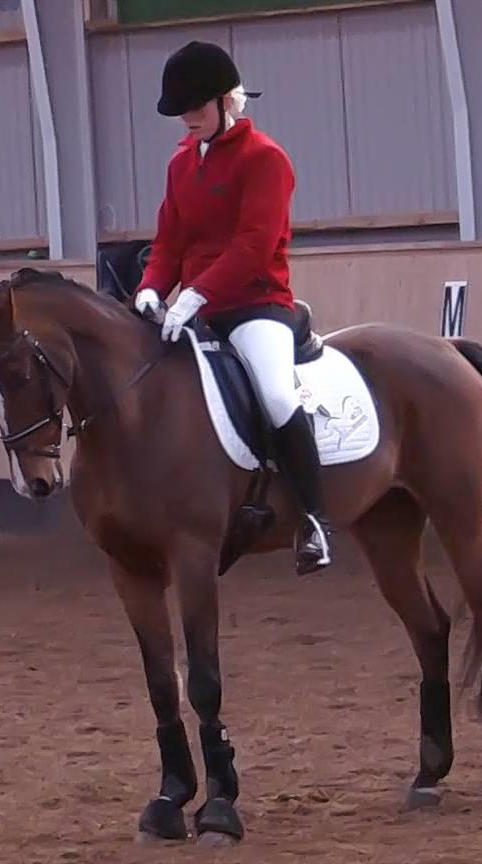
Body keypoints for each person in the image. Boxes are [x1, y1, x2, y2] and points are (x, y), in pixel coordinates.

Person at [133, 40, 331, 576]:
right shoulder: (180, 165)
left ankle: (314, 520)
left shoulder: (265, 158)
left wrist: (196, 294)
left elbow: (253, 244)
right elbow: (168, 241)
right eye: (180, 112)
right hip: (194, 311)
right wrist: (152, 288)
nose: (186, 120)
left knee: (272, 389)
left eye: (195, 109)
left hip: (256, 304)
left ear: (226, 102)